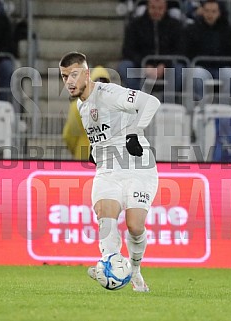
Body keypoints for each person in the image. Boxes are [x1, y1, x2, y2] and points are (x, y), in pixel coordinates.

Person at [59, 52, 160, 292]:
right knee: (106, 217)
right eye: (64, 77)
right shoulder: (82, 105)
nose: (69, 82)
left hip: (138, 166)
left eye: (73, 75)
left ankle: (134, 271)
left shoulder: (109, 93)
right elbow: (103, 135)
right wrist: (95, 150)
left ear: (86, 73)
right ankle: (110, 264)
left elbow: (150, 102)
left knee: (135, 226)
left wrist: (135, 132)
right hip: (108, 170)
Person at [118, 0, 184, 92]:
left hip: (167, 68)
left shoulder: (175, 25)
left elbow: (180, 50)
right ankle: (139, 99)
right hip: (141, 68)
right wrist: (145, 65)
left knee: (179, 69)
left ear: (165, 8)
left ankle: (168, 102)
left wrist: (164, 65)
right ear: (147, 7)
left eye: (160, 8)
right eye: (153, 8)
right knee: (124, 67)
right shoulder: (135, 25)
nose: (156, 11)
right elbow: (128, 50)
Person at [184, 0, 231, 102]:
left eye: (213, 11)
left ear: (219, 13)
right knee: (198, 74)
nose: (210, 14)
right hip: (201, 66)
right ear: (202, 11)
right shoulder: (193, 29)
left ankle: (224, 108)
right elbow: (188, 52)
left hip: (221, 67)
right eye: (207, 11)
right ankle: (202, 108)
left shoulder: (227, 30)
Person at [62, 65, 111, 160]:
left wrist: (75, 150)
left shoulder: (77, 106)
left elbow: (69, 135)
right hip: (108, 159)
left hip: (83, 157)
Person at [0, 0, 14, 101]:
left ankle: (1, 103)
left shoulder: (3, 20)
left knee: (7, 67)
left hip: (0, 58)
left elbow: (8, 44)